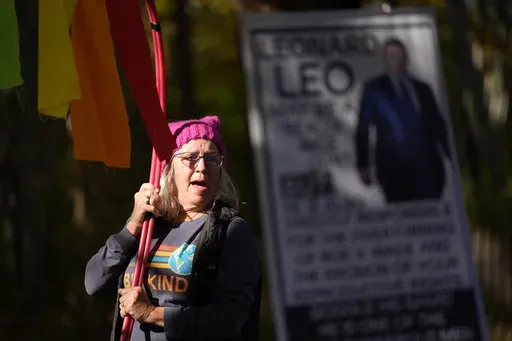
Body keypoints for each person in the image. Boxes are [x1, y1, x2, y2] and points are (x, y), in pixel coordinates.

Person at [84, 115, 261, 341]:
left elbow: (230, 320)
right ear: (168, 169)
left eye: (211, 158)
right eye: (191, 158)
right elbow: (93, 283)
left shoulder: (230, 231)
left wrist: (153, 314)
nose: (202, 167)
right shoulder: (147, 224)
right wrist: (133, 225)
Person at [355, 37, 451, 203]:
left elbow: (437, 124)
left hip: (428, 166)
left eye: (399, 56)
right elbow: (363, 128)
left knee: (429, 214)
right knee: (403, 214)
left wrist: (451, 155)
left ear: (405, 58)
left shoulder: (422, 89)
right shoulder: (374, 88)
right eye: (391, 56)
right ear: (384, 59)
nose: (396, 60)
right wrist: (363, 165)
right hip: (393, 166)